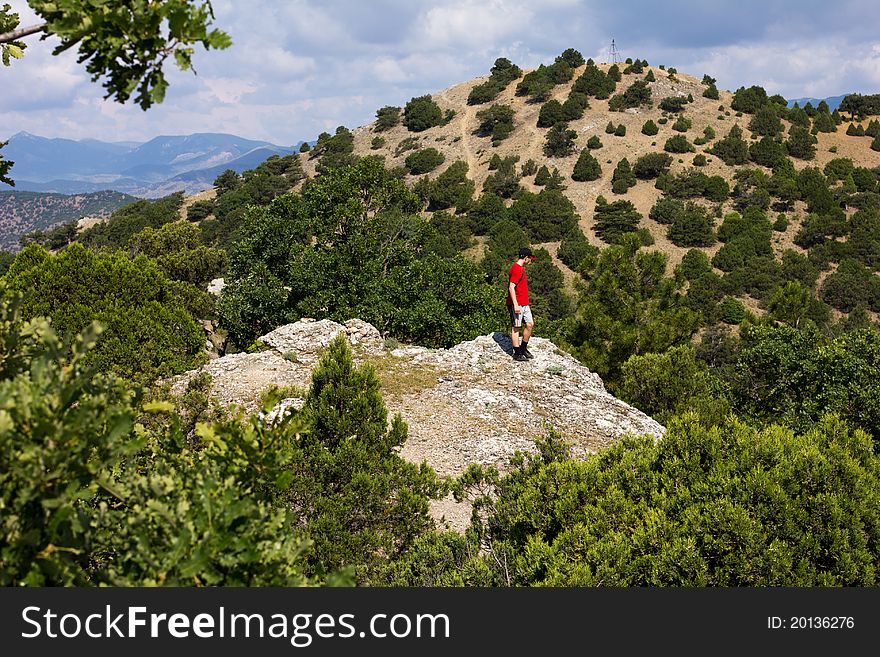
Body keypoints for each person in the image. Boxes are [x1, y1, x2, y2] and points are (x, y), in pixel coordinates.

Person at [507, 247, 536, 362]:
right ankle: (517, 353)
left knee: (529, 324)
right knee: (516, 327)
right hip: (517, 304)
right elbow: (511, 287)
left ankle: (523, 348)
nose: (530, 261)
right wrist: (516, 304)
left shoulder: (520, 269)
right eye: (530, 258)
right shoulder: (517, 269)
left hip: (524, 303)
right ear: (525, 257)